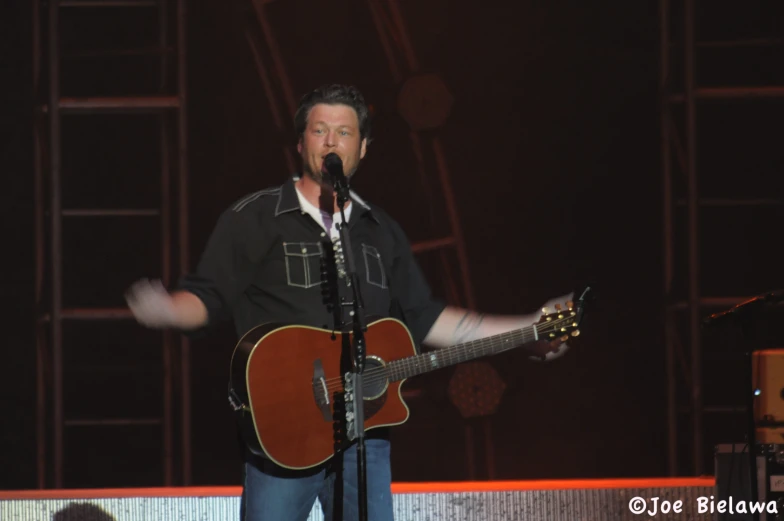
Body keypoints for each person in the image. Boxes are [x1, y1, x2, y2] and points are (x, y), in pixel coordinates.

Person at [125, 83, 572, 521]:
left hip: (365, 437)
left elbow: (427, 318)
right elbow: (208, 297)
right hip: (283, 437)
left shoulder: (381, 232)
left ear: (363, 147)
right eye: (320, 130)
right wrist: (168, 309)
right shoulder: (254, 219)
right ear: (301, 143)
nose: (331, 141)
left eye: (344, 132)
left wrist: (528, 326)